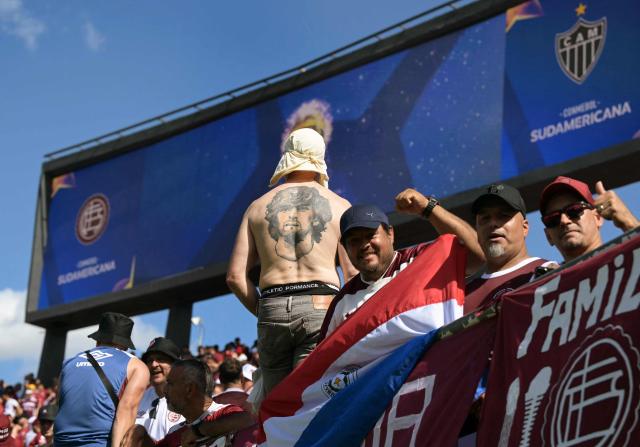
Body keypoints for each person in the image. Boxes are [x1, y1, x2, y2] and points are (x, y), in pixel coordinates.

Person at [226, 127, 358, 395]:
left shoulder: (257, 207)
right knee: (308, 401)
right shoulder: (340, 205)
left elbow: (235, 277)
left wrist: (264, 311)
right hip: (322, 305)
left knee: (277, 407)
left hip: (272, 304)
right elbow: (353, 273)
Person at [319, 197, 485, 338]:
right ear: (345, 247)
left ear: (390, 234)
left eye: (371, 235)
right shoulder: (342, 303)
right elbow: (323, 366)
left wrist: (428, 208)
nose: (364, 245)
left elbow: (477, 256)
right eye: (354, 241)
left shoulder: (421, 259)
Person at [54, 312, 149, 447]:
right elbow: (126, 413)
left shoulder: (69, 362)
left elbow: (60, 404)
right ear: (125, 345)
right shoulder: (136, 366)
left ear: (97, 339)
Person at [121, 359, 253, 447]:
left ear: (189, 390)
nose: (165, 390)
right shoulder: (177, 431)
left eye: (171, 384)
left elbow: (246, 419)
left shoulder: (224, 412)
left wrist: (198, 431)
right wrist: (141, 435)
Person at [539, 176, 639, 262]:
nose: (564, 221)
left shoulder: (626, 261)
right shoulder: (545, 283)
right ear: (548, 236)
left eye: (574, 210)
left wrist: (630, 224)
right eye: (553, 218)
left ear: (597, 218)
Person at [136, 337, 185, 441]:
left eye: (160, 359)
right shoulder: (137, 398)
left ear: (175, 365)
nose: (154, 364)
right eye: (149, 360)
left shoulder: (189, 400)